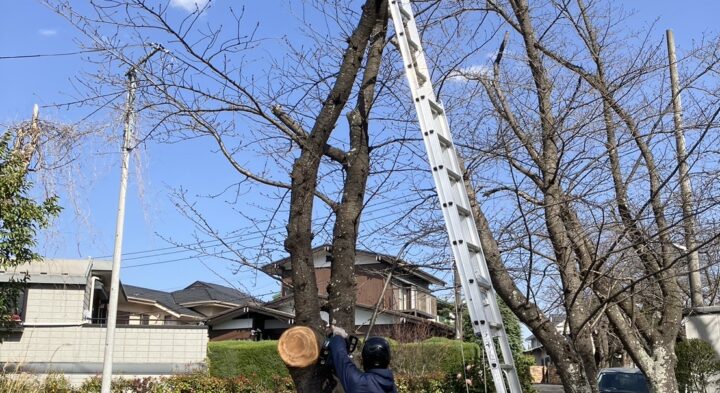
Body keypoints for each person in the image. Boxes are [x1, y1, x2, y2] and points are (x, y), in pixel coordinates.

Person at [328, 326, 398, 393]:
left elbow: (340, 357)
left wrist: (338, 335)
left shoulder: (360, 382)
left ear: (364, 359)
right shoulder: (390, 385)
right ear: (388, 359)